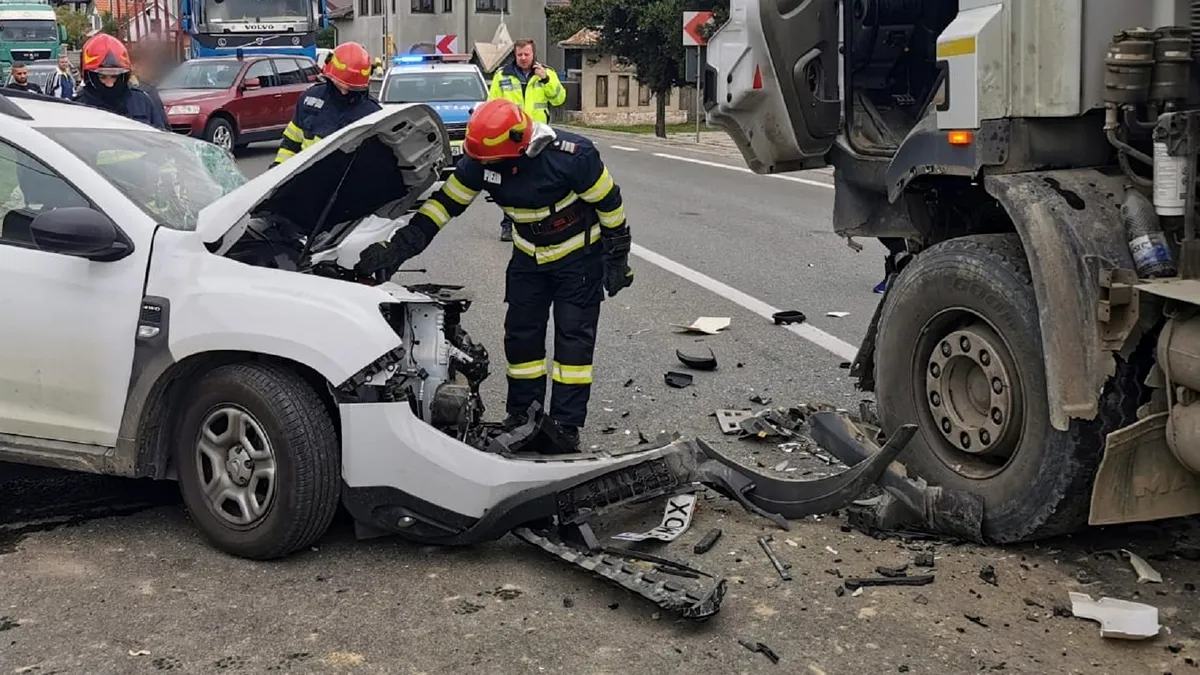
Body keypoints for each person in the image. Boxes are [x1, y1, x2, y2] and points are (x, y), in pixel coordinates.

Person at [354, 99, 634, 453]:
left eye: (490, 160)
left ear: (519, 147)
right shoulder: (480, 160)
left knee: (573, 346)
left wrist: (616, 258)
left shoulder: (573, 158)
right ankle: (523, 416)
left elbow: (610, 206)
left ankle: (565, 425)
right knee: (521, 340)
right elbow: (443, 206)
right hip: (528, 259)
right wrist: (397, 249)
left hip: (578, 260)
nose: (484, 165)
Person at [488, 39, 567, 242]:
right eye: (519, 54)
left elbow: (559, 99)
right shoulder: (502, 75)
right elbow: (493, 105)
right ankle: (507, 225)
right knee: (511, 181)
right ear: (515, 55)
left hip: (539, 136)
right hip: (511, 136)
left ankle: (540, 223)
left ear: (534, 55)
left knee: (540, 180)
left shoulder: (546, 73)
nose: (523, 58)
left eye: (527, 54)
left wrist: (546, 80)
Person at [274, 41, 381, 166]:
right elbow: (291, 143)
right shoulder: (309, 98)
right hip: (307, 180)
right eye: (339, 85)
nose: (344, 93)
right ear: (329, 77)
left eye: (351, 89)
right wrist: (278, 169)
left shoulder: (373, 113)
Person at [73, 33, 167, 130]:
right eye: (102, 77)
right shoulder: (77, 108)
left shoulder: (142, 102)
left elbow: (162, 138)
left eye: (114, 77)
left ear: (124, 76)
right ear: (89, 77)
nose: (110, 84)